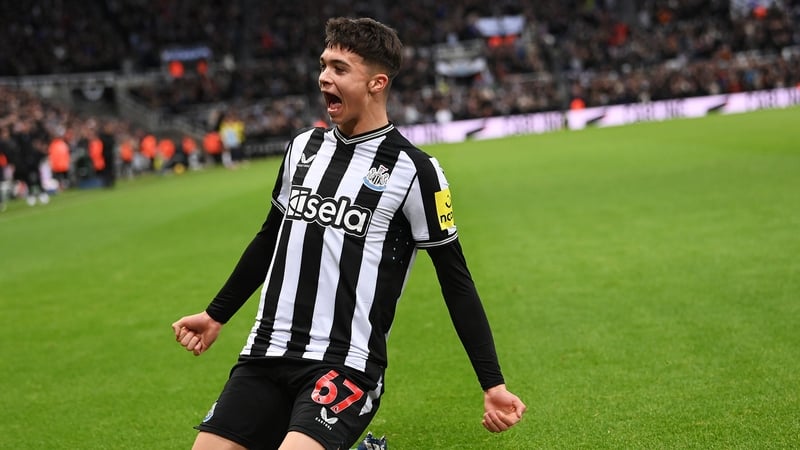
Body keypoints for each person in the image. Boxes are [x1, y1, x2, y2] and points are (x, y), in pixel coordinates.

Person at [172, 17, 526, 450]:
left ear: (377, 83)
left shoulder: (415, 170)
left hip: (346, 363)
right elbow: (269, 239)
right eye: (323, 65)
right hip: (266, 352)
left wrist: (492, 383)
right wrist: (216, 315)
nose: (324, 77)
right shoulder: (303, 148)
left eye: (339, 68)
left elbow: (456, 281)